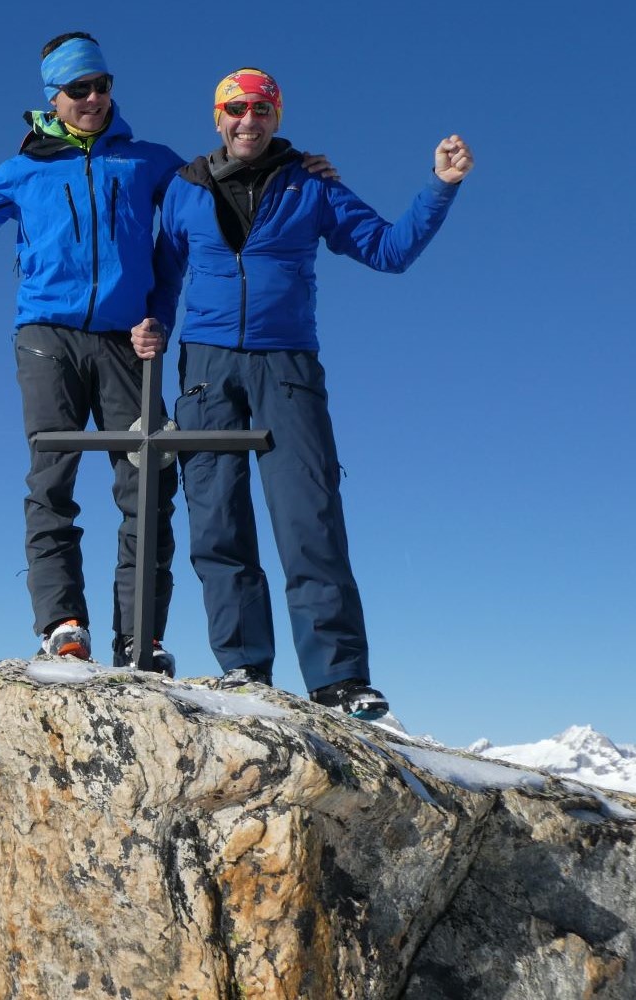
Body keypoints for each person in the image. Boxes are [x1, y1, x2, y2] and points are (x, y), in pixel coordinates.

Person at [0, 35, 337, 670]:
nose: (93, 98)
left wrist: (293, 167)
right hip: (46, 339)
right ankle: (63, 625)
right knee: (51, 478)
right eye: (78, 90)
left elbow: (227, 179)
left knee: (149, 482)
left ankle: (141, 636)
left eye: (102, 85)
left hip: (126, 341)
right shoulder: (21, 172)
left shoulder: (149, 163)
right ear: (52, 99)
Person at [133, 68, 474, 719]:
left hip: (286, 366)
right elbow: (164, 275)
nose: (248, 122)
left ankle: (339, 680)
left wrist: (441, 187)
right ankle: (243, 669)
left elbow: (387, 249)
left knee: (308, 517)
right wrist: (151, 324)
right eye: (236, 110)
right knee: (216, 519)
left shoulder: (310, 184)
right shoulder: (182, 190)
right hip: (204, 369)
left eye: (261, 111)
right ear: (217, 117)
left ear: (276, 118)